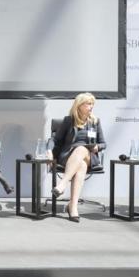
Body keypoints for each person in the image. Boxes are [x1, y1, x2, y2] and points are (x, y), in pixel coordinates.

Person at [48, 92, 106, 222]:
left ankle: (62, 184)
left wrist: (98, 147)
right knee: (81, 166)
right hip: (69, 156)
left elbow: (103, 143)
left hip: (90, 155)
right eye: (88, 104)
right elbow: (55, 140)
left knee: (81, 149)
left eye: (92, 104)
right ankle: (73, 207)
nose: (91, 106)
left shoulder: (95, 121)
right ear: (79, 105)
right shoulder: (69, 121)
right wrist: (49, 151)